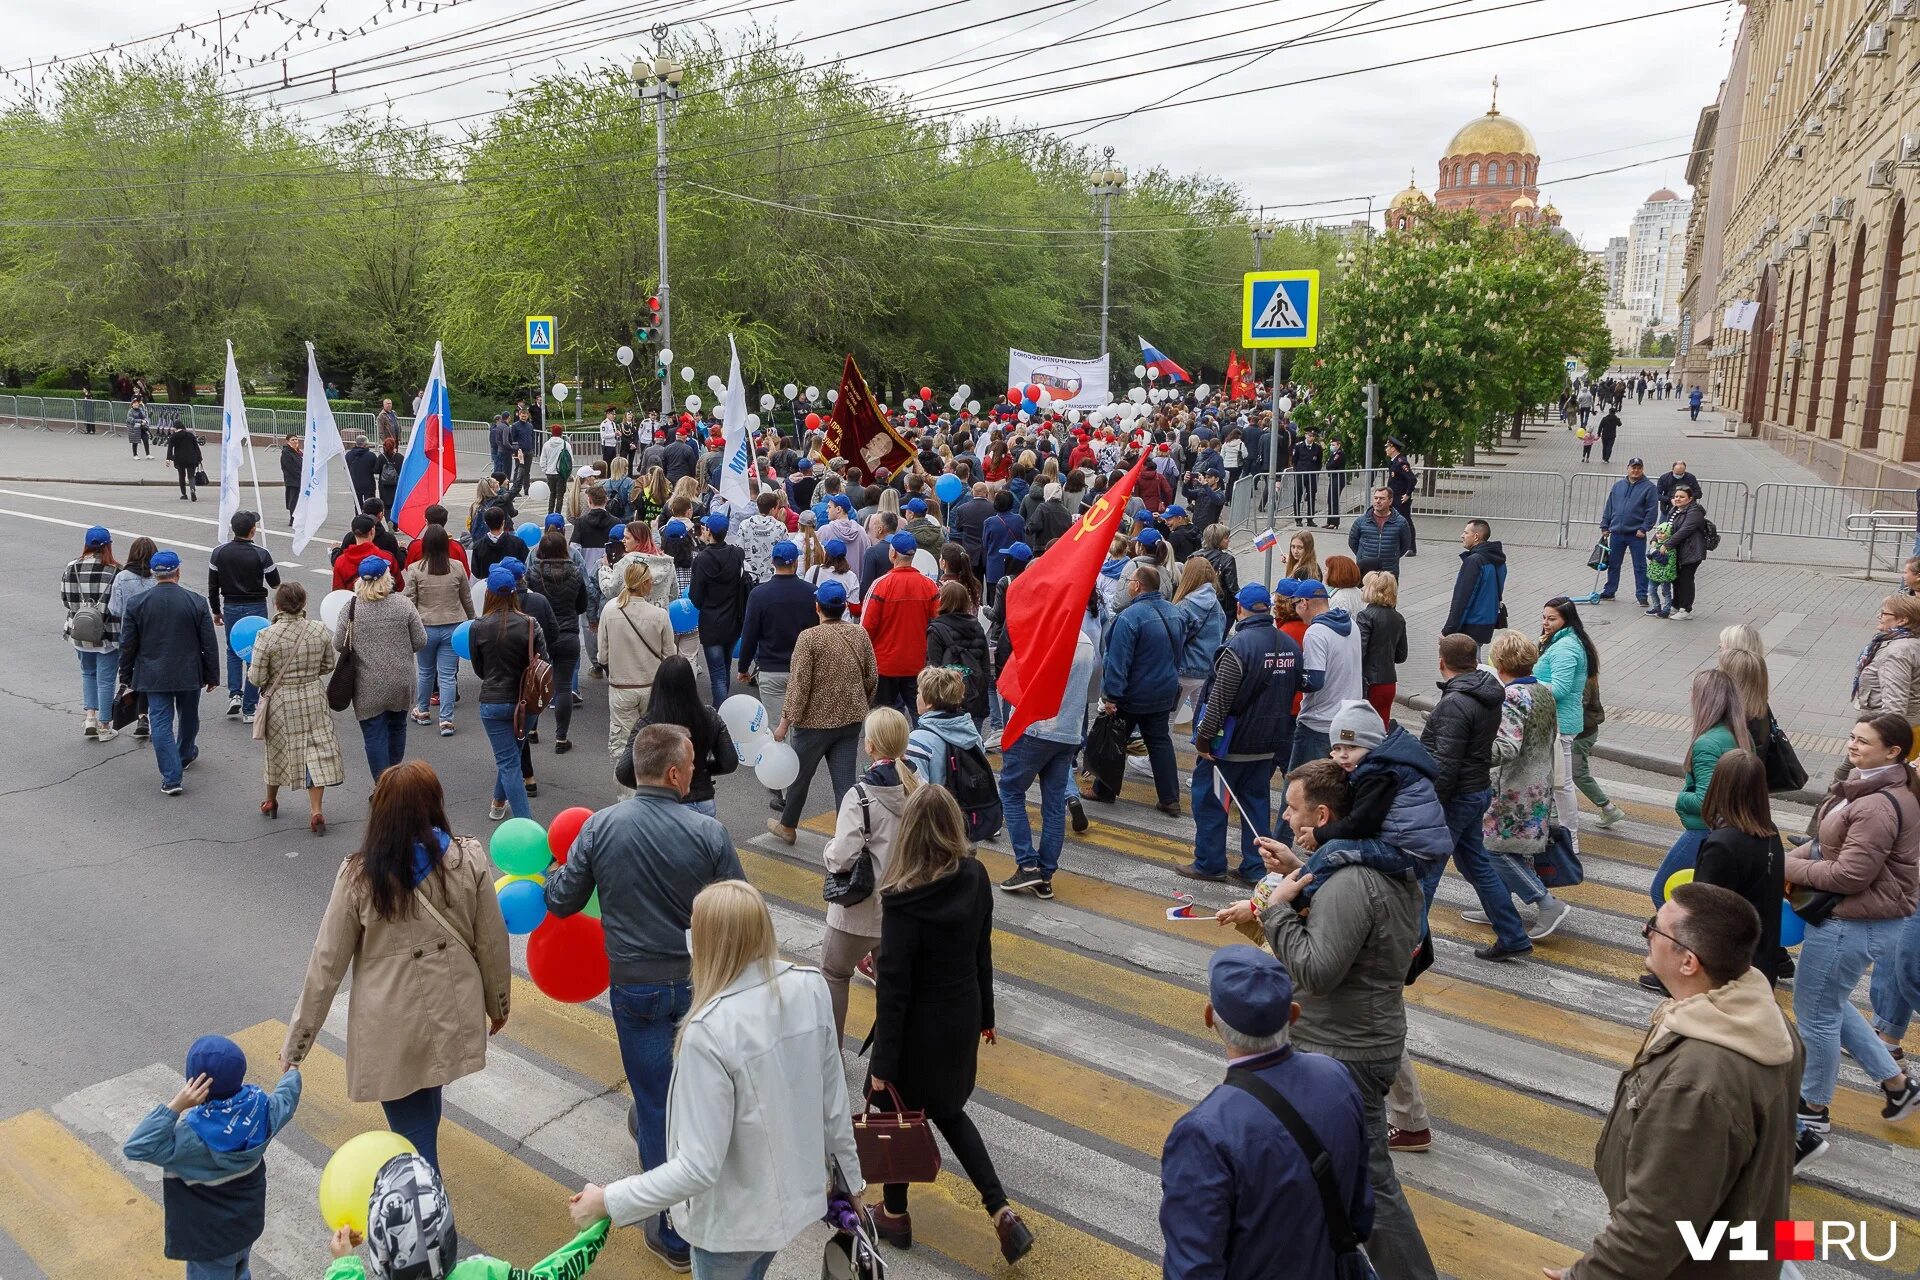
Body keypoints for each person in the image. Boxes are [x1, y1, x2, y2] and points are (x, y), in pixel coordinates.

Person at [568, 881, 862, 1280]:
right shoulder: (809, 987)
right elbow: (834, 1102)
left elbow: (697, 1168)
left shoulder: (708, 1030)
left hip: (731, 1229)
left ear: (707, 943)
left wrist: (607, 1200)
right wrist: (852, 1183)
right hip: (791, 1208)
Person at [544, 723, 745, 1270]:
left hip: (636, 989)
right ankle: (711, 1203)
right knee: (701, 1094)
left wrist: (549, 873)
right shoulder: (709, 833)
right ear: (676, 773)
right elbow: (742, 909)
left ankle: (676, 1238)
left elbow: (562, 902)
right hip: (702, 986)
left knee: (656, 1104)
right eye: (692, 769)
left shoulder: (601, 827)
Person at [1241, 761, 1438, 1280]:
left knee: (1369, 1185)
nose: (1284, 817)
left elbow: (1317, 970)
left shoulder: (1354, 880)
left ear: (1323, 814)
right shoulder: (1373, 863)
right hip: (1353, 1040)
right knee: (1317, 1173)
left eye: (1293, 807)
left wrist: (1276, 910)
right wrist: (1296, 867)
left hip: (1345, 1051)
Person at [1544, 883, 1799, 1279]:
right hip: (1748, 1244)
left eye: (1655, 929)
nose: (1646, 934)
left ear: (1688, 963)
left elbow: (1655, 1226)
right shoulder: (1766, 1021)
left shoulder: (1699, 1081)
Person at [283, 761, 511, 1173]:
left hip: (391, 1024)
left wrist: (298, 1043)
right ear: (434, 805)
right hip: (450, 1008)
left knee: (415, 1142)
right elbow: (492, 940)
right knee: (425, 1109)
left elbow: (326, 964)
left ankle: (431, 1229)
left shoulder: (360, 875)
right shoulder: (466, 857)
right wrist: (498, 1004)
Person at [867, 785, 1035, 1263]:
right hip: (960, 1016)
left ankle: (895, 1215)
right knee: (949, 1111)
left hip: (917, 1029)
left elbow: (893, 993)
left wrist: (882, 1064)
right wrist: (986, 1015)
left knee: (899, 1117)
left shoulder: (902, 900)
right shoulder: (976, 876)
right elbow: (982, 952)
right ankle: (1000, 1210)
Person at [1159, 946, 1371, 1280]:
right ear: (1294, 1014)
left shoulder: (1204, 1132)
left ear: (1209, 1017)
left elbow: (1193, 1269)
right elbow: (1362, 1213)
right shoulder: (1336, 1077)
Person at [1786, 712, 1920, 1168]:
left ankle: (1813, 1111)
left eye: (1864, 741)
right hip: (1858, 919)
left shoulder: (1880, 803)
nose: (1852, 745)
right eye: (1851, 736)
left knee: (1817, 1016)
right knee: (1831, 1005)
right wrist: (1791, 855)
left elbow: (1849, 873)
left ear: (1894, 752)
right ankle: (1897, 1085)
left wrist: (1785, 869)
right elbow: (1832, 848)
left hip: (1851, 921)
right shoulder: (1866, 787)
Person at [121, 1035, 303, 1280]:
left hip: (208, 1242)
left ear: (194, 1086)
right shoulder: (262, 1110)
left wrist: (176, 1106)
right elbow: (286, 1099)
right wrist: (292, 1068)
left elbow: (137, 1146)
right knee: (240, 1271)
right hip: (245, 1228)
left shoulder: (190, 1139)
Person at [1422, 633, 1533, 961]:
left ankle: (1407, 946)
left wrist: (1430, 806)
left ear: (1442, 662)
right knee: (1478, 865)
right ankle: (1512, 935)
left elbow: (1445, 762)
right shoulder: (1486, 692)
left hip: (1456, 798)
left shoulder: (1457, 702)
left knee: (1428, 869)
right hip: (1477, 791)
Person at [1179, 584, 1299, 885]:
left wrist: (1205, 740)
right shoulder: (1289, 644)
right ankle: (1257, 868)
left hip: (1230, 748)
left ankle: (1209, 863)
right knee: (1255, 804)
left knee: (1213, 802)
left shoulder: (1238, 647)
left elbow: (1219, 701)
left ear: (1240, 609)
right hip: (1268, 745)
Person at [818, 708, 917, 1035]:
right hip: (904, 907)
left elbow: (843, 857)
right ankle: (895, 1059)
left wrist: (828, 852)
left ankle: (833, 1058)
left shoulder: (859, 796)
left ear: (870, 746)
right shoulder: (918, 787)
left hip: (860, 909)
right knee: (892, 985)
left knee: (834, 973)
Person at [1473, 630, 1574, 940]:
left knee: (1494, 848)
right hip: (1537, 782)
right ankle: (1498, 905)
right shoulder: (1541, 690)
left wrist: (1470, 748)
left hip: (1513, 787)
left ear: (1500, 661)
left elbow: (1507, 747)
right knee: (1514, 851)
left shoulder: (1513, 695)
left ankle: (1547, 903)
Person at [768, 580, 877, 844]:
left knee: (799, 778)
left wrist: (783, 725)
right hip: (850, 721)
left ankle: (788, 827)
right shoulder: (859, 634)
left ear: (817, 607)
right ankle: (847, 837)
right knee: (844, 783)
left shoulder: (809, 638)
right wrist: (862, 704)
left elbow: (799, 685)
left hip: (813, 724)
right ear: (842, 608)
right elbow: (872, 675)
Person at [1651, 670, 1753, 925]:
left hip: (1702, 832)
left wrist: (1680, 799)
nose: (1690, 696)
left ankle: (1688, 950)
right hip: (1730, 831)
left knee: (1662, 892)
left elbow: (1704, 800)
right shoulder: (1741, 735)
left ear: (1705, 700)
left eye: (1693, 692)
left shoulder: (1706, 743)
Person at [118, 549, 220, 797]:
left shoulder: (137, 603)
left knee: (161, 722)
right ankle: (185, 754)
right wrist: (212, 675)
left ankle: (172, 777)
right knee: (188, 716)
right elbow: (208, 642)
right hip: (188, 671)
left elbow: (128, 643)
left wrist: (126, 675)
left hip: (152, 674)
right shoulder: (195, 601)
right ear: (178, 571)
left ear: (154, 574)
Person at [248, 582, 346, 833]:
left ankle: (271, 800)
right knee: (316, 752)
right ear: (303, 603)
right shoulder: (318, 630)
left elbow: (257, 677)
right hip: (313, 696)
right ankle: (316, 810)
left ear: (277, 605)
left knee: (278, 751)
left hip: (281, 701)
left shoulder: (266, 636)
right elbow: (328, 665)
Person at [1101, 562, 1187, 816]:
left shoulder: (1129, 617)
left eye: (1129, 582)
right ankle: (1170, 798)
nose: (1128, 586)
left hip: (1134, 694)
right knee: (1160, 742)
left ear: (1137, 586)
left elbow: (1118, 660)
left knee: (1115, 742)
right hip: (1163, 691)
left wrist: (1111, 695)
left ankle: (1104, 790)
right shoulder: (1175, 613)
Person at [1695, 749, 1787, 986]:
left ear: (1719, 786)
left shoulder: (1723, 844)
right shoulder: (1770, 831)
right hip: (1761, 959)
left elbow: (1704, 912)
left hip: (1727, 967)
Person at [335, 557, 426, 785]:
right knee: (398, 726)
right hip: (401, 680)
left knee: (373, 735)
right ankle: (395, 779)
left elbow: (339, 643)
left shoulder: (351, 608)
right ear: (387, 578)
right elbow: (420, 640)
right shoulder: (403, 604)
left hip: (367, 685)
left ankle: (382, 785)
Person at [470, 566, 550, 821]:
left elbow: (479, 668)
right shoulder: (530, 624)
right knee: (511, 757)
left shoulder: (478, 627)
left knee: (509, 761)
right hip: (525, 703)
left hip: (492, 702)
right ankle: (498, 802)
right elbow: (544, 661)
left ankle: (524, 823)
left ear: (489, 594)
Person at [616, 656, 738, 816]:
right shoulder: (710, 716)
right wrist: (698, 769)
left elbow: (623, 771)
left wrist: (651, 783)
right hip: (703, 801)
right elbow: (729, 762)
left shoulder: (648, 723)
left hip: (664, 805)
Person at [600, 559, 675, 784]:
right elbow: (670, 656)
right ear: (647, 583)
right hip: (652, 688)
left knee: (621, 744)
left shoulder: (611, 609)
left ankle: (626, 794)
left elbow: (602, 656)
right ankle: (653, 788)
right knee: (653, 742)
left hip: (622, 687)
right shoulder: (659, 615)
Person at [206, 512, 281, 722]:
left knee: (233, 649)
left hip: (230, 605)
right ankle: (250, 708)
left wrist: (216, 610)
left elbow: (213, 586)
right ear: (253, 530)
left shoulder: (218, 553)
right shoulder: (261, 553)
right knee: (254, 654)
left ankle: (234, 695)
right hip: (255, 606)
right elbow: (275, 582)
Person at [736, 539, 816, 733]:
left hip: (770, 668)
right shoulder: (811, 592)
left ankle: (782, 762)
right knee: (801, 727)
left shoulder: (759, 594)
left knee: (775, 727)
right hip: (803, 669)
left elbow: (750, 634)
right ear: (795, 562)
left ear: (772, 561)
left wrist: (743, 667)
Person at [1537, 598, 1597, 854]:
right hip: (1557, 721)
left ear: (1566, 620)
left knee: (1562, 784)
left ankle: (1570, 840)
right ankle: (1556, 835)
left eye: (1552, 619)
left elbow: (1559, 689)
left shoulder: (1566, 648)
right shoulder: (1564, 641)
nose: (1545, 623)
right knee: (1555, 782)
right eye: (1544, 618)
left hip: (1559, 723)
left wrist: (1527, 683)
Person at [402, 526, 474, 738]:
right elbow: (466, 598)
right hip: (453, 626)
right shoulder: (457, 567)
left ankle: (423, 710)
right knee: (448, 675)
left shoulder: (415, 569)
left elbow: (409, 600)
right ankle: (446, 720)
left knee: (425, 671)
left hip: (426, 627)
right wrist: (472, 620)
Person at [863, 531, 941, 718]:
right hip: (916, 663)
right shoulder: (929, 585)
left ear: (893, 554)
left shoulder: (880, 585)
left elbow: (866, 628)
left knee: (883, 719)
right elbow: (938, 623)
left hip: (885, 665)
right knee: (921, 716)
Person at [1290, 579, 1363, 770]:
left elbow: (1313, 681)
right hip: (1348, 719)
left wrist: (1290, 676)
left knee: (1301, 787)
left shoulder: (1316, 632)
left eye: (1295, 605)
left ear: (1304, 603)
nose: (1296, 611)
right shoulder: (1352, 625)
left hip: (1319, 723)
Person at [526, 532, 588, 753]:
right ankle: (561, 737)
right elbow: (582, 605)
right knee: (563, 687)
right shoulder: (576, 573)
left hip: (540, 635)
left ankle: (532, 729)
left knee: (536, 685)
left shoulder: (533, 574)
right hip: (568, 633)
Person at [61, 524, 122, 741]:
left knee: (87, 673)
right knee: (106, 679)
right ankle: (105, 727)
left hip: (80, 631)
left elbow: (66, 600)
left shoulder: (72, 567)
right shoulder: (116, 570)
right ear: (108, 546)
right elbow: (117, 606)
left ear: (86, 544)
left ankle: (90, 718)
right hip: (107, 633)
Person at [687, 513, 748, 707]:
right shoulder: (736, 554)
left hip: (711, 621)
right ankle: (724, 710)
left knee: (717, 673)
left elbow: (695, 596)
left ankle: (720, 713)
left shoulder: (702, 559)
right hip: (733, 619)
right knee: (725, 667)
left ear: (709, 531)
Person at [1851, 594, 1920, 749]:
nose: (1879, 616)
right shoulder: (1908, 642)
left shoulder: (1897, 652)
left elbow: (1895, 708)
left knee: (1846, 773)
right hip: (1897, 728)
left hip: (1885, 733)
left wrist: (1876, 744)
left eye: (1884, 613)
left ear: (1903, 620)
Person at [108, 537, 159, 740]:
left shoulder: (122, 577)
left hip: (129, 635)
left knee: (134, 675)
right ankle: (147, 715)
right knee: (150, 676)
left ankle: (140, 714)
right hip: (154, 635)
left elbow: (114, 608)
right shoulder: (157, 577)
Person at [1597, 458, 1657, 606]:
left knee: (1640, 566)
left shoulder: (1649, 488)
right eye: (1633, 467)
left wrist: (1644, 528)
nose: (1635, 470)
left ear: (1642, 469)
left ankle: (1642, 595)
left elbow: (1652, 510)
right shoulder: (1618, 486)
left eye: (1639, 468)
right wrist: (1605, 526)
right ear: (1628, 468)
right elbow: (1609, 506)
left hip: (1636, 534)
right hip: (1617, 532)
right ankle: (1609, 591)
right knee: (1614, 564)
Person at [1440, 520, 1505, 650]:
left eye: (1465, 532)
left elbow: (1463, 599)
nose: (1462, 536)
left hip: (1471, 624)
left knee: (1468, 665)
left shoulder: (1474, 562)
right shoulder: (1497, 559)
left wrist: (1448, 630)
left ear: (1476, 537)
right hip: (1486, 622)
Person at [1357, 571, 1407, 729]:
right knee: (1381, 728)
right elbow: (1401, 656)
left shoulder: (1365, 616)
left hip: (1369, 682)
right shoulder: (1398, 618)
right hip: (1389, 680)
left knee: (1363, 730)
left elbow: (1360, 651)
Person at [1662, 485, 1709, 620]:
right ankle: (1676, 605)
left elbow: (1685, 530)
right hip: (1678, 550)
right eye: (1676, 496)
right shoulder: (1675, 510)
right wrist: (1656, 539)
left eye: (1682, 497)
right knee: (1676, 579)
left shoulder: (1695, 511)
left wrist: (1667, 544)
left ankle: (1685, 609)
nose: (1678, 499)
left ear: (1690, 499)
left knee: (1686, 579)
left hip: (1692, 551)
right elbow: (1667, 527)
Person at [1347, 487, 1412, 580]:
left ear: (1390, 501)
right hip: (1366, 570)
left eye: (1382, 498)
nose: (1378, 501)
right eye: (1376, 498)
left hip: (1389, 570)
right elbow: (1352, 542)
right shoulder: (1361, 521)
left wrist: (1393, 555)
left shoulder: (1400, 522)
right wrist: (1363, 556)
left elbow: (1405, 545)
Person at [1384, 438, 1417, 555]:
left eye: (1387, 447)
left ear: (1393, 448)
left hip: (1400, 498)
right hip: (1393, 496)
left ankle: (1411, 547)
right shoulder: (1394, 461)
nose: (1386, 449)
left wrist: (1407, 494)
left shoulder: (1401, 462)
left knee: (1405, 521)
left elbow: (1412, 479)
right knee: (1393, 520)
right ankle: (1397, 544)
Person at [166, 420, 204, 501]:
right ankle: (192, 490)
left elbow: (170, 449)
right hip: (191, 458)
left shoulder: (173, 437)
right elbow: (196, 447)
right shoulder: (190, 435)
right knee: (191, 476)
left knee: (181, 476)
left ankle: (184, 494)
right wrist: (199, 458)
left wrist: (168, 459)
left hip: (180, 459)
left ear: (175, 428)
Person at [279, 435, 302, 525]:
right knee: (294, 500)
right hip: (293, 481)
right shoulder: (286, 452)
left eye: (296, 439)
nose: (295, 441)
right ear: (288, 442)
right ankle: (293, 519)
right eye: (293, 440)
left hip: (299, 480)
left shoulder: (298, 452)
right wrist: (300, 475)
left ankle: (299, 517)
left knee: (299, 500)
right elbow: (289, 467)